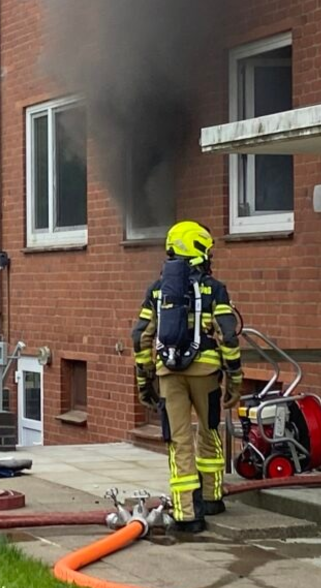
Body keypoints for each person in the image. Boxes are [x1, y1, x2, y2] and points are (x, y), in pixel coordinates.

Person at [130, 221, 241, 534]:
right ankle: (211, 497)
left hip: (169, 374)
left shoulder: (157, 290)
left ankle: (187, 514)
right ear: (198, 248)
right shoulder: (214, 289)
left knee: (178, 442)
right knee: (208, 431)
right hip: (206, 374)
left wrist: (145, 379)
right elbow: (229, 336)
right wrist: (234, 378)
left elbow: (140, 336)